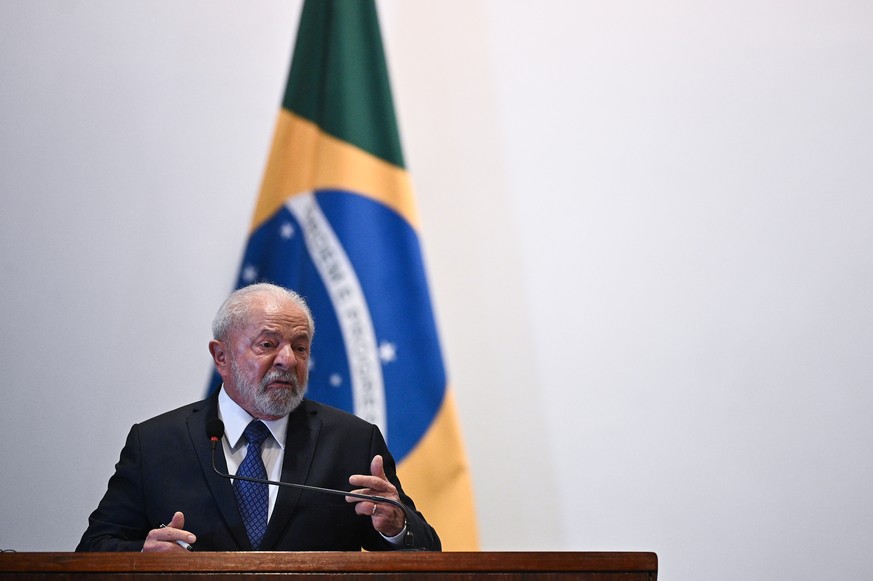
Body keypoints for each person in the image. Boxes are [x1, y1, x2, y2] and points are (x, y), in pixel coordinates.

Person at [76, 283, 440, 552]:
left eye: (300, 347)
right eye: (267, 345)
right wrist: (143, 553)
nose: (288, 360)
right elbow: (93, 548)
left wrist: (396, 526)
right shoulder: (155, 443)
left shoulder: (352, 443)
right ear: (221, 357)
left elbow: (426, 552)